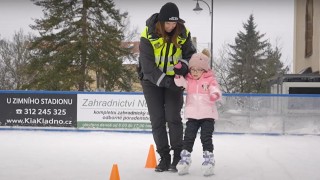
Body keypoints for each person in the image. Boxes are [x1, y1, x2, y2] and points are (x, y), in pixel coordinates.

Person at [138, 2, 196, 172]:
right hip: (152, 82)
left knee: (173, 117)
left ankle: (177, 155)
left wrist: (183, 67)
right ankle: (164, 157)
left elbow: (190, 55)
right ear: (161, 22)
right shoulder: (147, 35)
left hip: (174, 80)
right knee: (157, 120)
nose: (171, 27)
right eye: (168, 23)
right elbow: (148, 67)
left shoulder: (183, 33)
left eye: (174, 23)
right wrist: (168, 82)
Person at [174, 49, 222, 176]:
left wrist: (214, 93)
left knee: (205, 138)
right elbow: (181, 83)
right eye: (193, 69)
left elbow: (215, 88)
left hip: (207, 116)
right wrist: (178, 75)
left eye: (198, 70)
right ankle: (185, 160)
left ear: (204, 70)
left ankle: (209, 161)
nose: (195, 72)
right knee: (188, 138)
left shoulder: (209, 80)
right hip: (192, 116)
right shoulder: (189, 80)